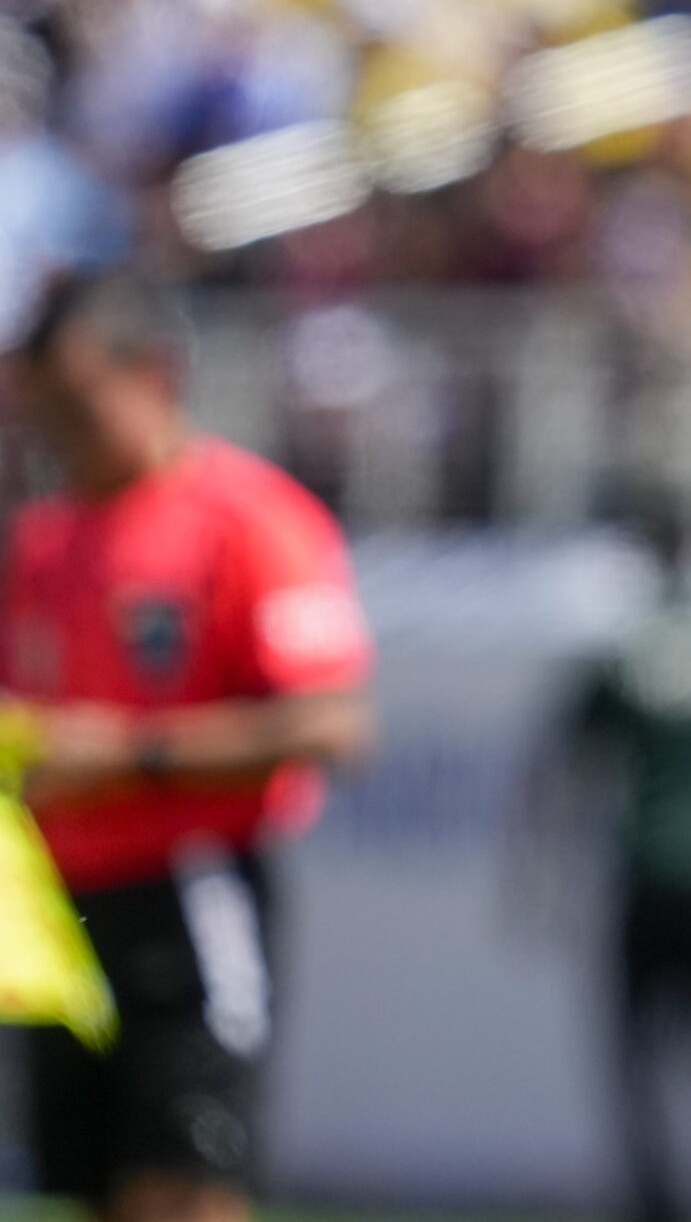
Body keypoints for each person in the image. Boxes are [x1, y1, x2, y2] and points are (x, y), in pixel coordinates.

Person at [6, 271, 375, 1222]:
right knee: (80, 1192)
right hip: (62, 920)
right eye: (41, 413)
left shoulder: (246, 519)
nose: (59, 436)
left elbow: (331, 723)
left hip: (190, 891)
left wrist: (130, 755)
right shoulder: (43, 542)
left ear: (154, 375)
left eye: (78, 407)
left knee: (187, 1188)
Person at [541, 507, 691, 1222]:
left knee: (638, 1065)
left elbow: (568, 764)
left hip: (648, 872)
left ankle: (657, 1205)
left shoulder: (624, 654)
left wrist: (538, 877)